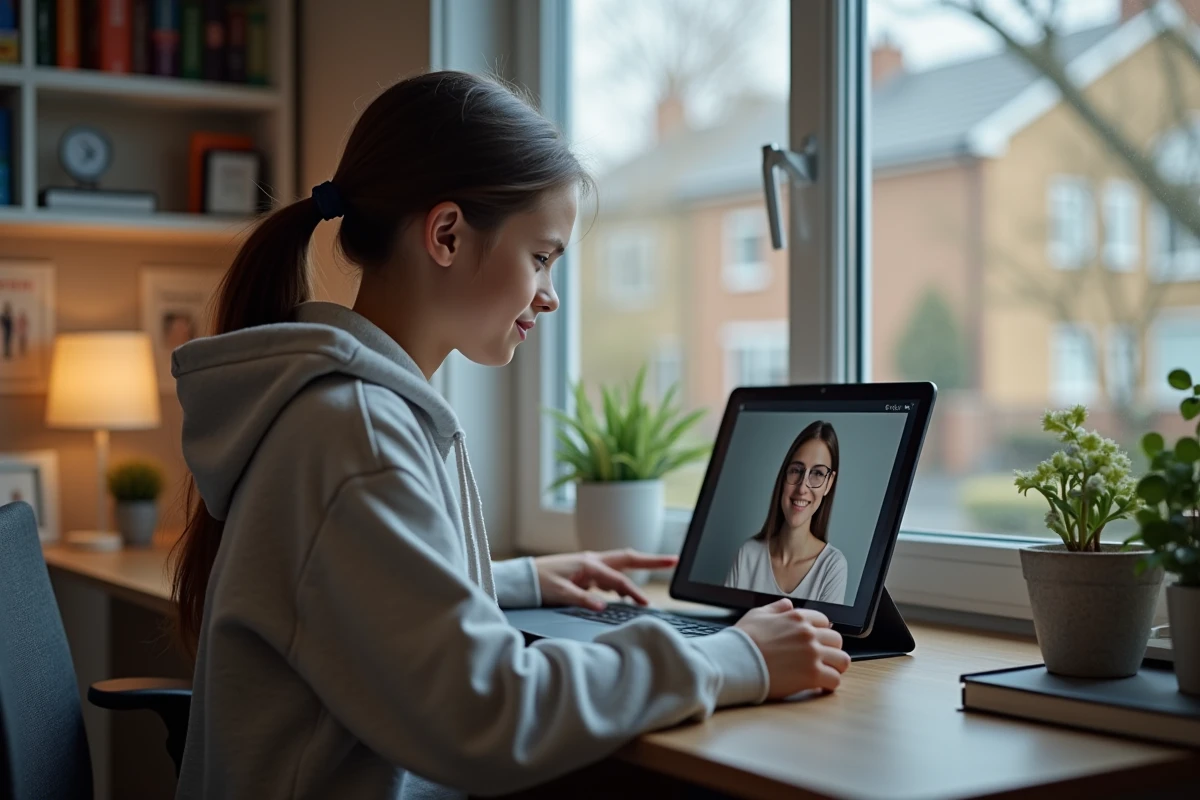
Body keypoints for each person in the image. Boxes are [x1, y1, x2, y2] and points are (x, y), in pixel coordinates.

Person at [170, 71, 850, 800]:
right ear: (447, 234)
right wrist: (733, 658)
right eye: (541, 257)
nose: (550, 294)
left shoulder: (358, 411)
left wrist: (517, 580)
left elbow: (354, 595)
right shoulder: (357, 434)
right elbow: (485, 712)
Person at [724, 421, 849, 604]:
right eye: (796, 470)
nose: (802, 487)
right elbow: (728, 628)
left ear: (829, 483)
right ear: (784, 475)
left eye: (818, 474)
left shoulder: (833, 567)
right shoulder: (748, 555)